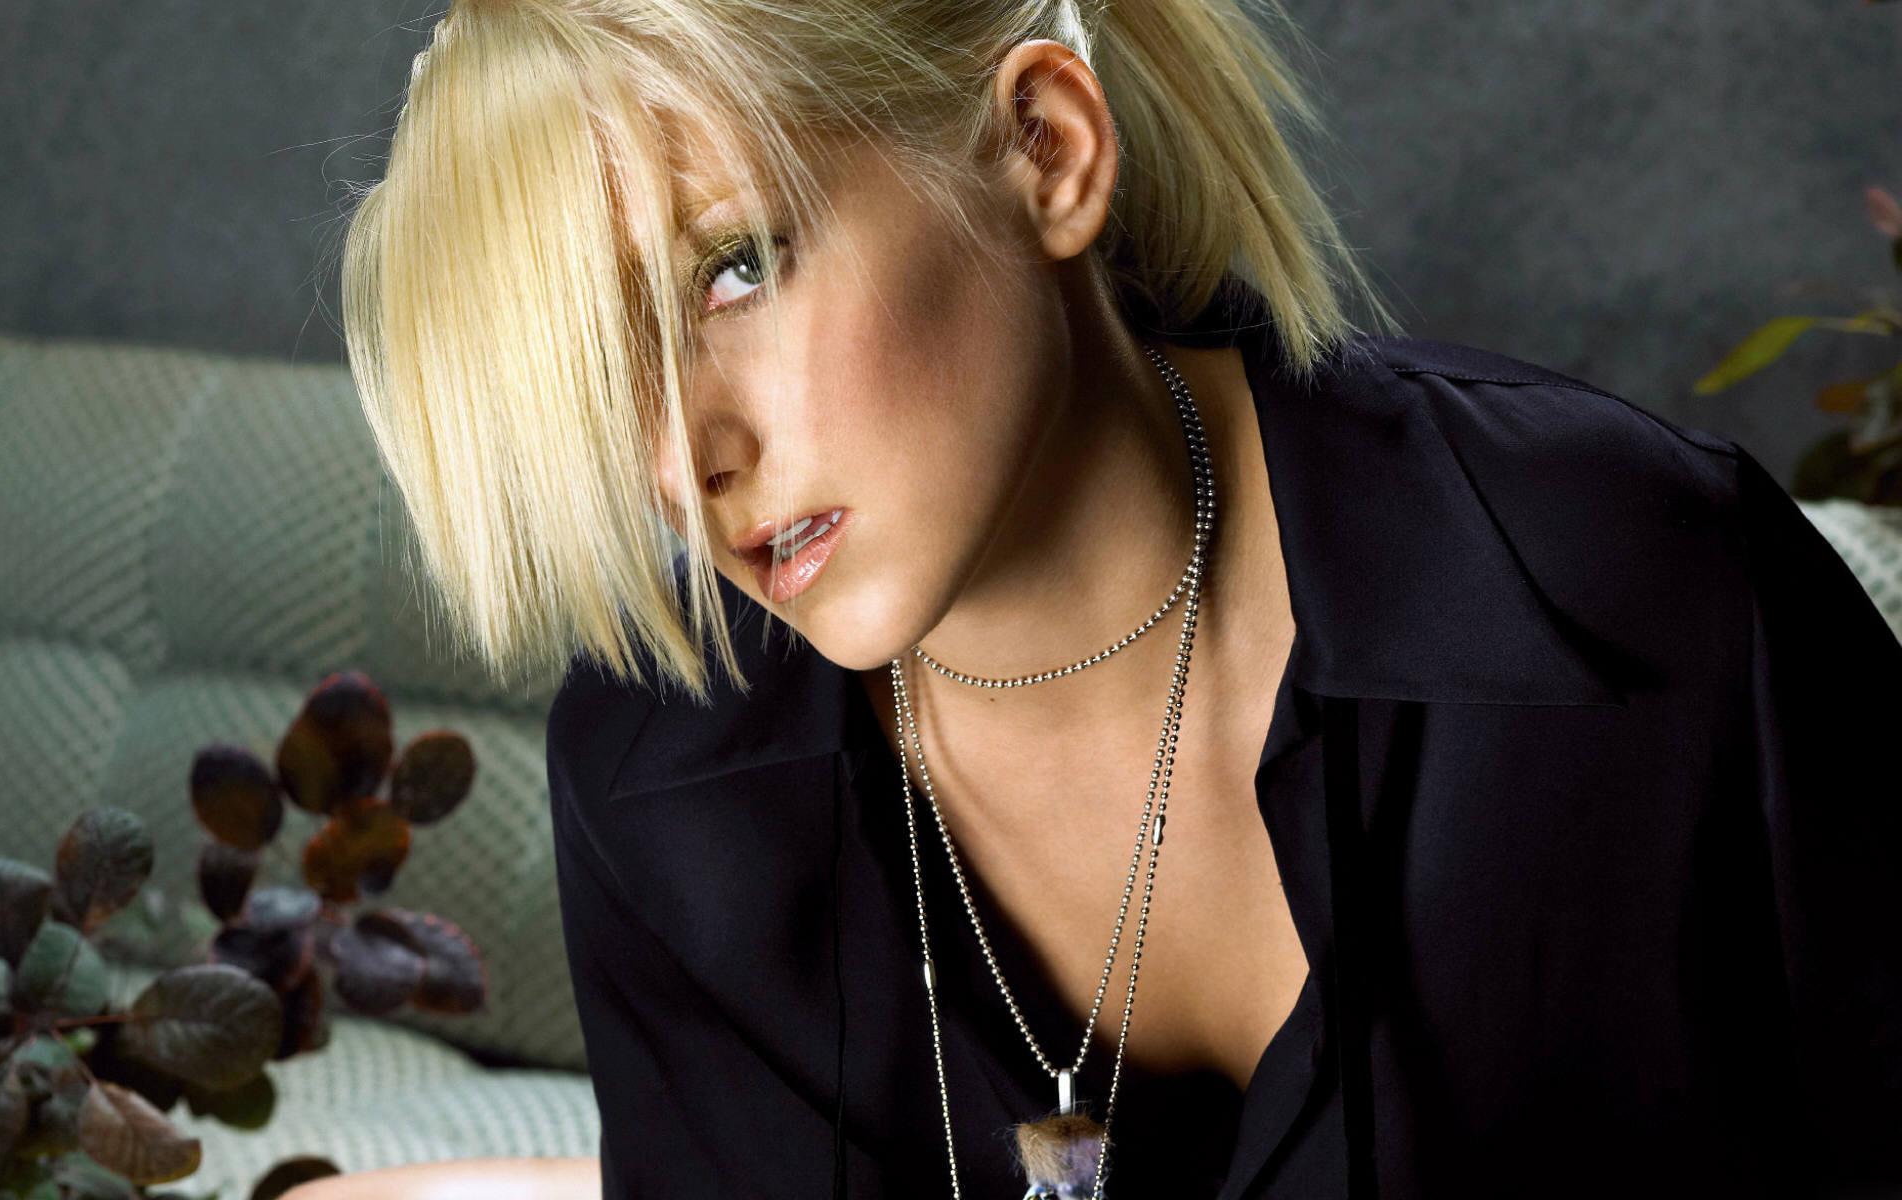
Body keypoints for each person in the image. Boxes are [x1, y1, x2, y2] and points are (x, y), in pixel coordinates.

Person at [337, 1, 1902, 1197]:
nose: (688, 454)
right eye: (599, 364)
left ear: (1046, 149)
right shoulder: (666, 777)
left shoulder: (1626, 583)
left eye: (734, 268)